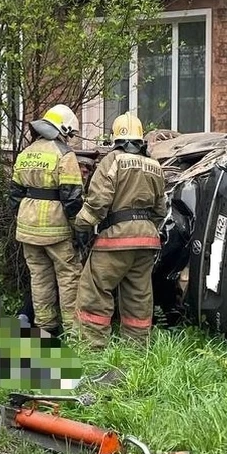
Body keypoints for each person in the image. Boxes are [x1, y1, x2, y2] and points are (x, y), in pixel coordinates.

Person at [74, 113, 167, 348]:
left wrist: (80, 224)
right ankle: (136, 349)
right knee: (138, 295)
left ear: (116, 138)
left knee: (95, 290)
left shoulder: (113, 161)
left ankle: (93, 347)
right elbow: (161, 208)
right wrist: (147, 228)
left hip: (115, 240)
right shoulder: (154, 165)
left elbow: (98, 201)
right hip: (146, 241)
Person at [9, 104, 85, 338]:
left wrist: (25, 216)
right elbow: (72, 198)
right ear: (64, 130)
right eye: (70, 134)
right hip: (55, 229)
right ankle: (73, 332)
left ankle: (45, 329)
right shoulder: (64, 155)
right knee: (68, 276)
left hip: (27, 228)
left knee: (39, 278)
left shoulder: (26, 153)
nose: (70, 139)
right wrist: (79, 229)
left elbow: (14, 194)